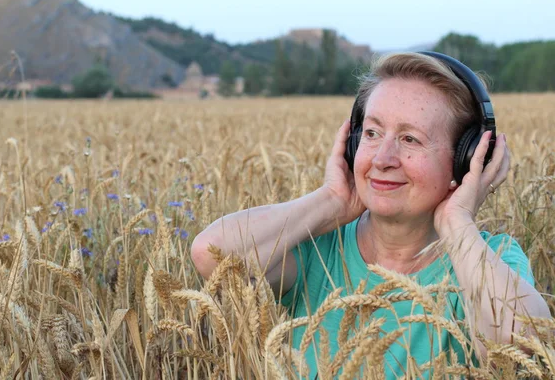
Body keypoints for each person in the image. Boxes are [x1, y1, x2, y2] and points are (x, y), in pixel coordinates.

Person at [190, 52, 550, 378]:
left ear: (468, 158)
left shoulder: (491, 260)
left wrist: (457, 222)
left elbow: (526, 348)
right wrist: (332, 200)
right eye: (373, 133)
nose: (382, 159)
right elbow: (212, 254)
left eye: (410, 139)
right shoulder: (320, 252)